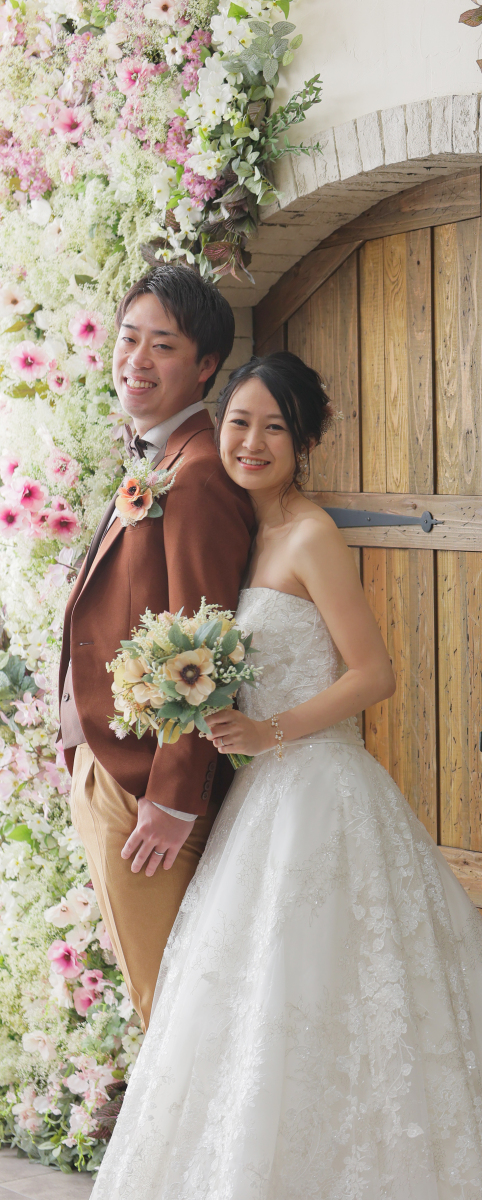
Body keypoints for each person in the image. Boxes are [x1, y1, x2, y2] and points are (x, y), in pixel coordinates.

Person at [90, 352, 482, 1199]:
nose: (252, 441)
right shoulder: (242, 534)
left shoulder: (311, 533)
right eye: (239, 422)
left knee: (362, 997)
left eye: (275, 426)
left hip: (323, 788)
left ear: (303, 439)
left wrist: (269, 729)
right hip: (266, 801)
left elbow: (372, 674)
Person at [58, 264, 254, 1029]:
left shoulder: (199, 475)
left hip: (146, 785)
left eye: (162, 345)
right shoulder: (156, 460)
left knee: (172, 1008)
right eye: (128, 337)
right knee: (163, 1000)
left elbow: (208, 647)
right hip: (106, 764)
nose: (135, 359)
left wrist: (173, 797)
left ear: (205, 365)